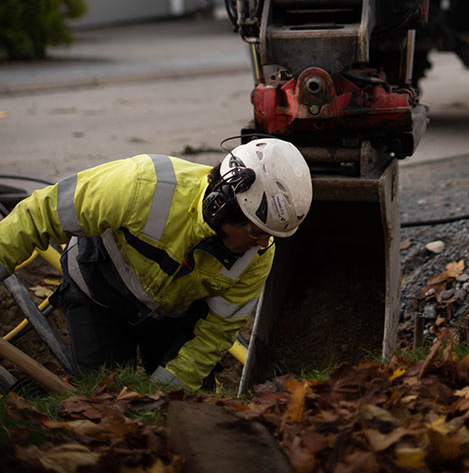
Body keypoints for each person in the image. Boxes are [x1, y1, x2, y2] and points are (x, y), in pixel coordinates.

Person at [0, 138, 312, 390]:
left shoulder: (258, 255)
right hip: (99, 296)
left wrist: (159, 396)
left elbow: (215, 333)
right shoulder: (144, 186)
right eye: (257, 231)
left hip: (171, 315)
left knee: (185, 407)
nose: (261, 244)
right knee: (99, 398)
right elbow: (40, 214)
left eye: (269, 236)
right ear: (222, 204)